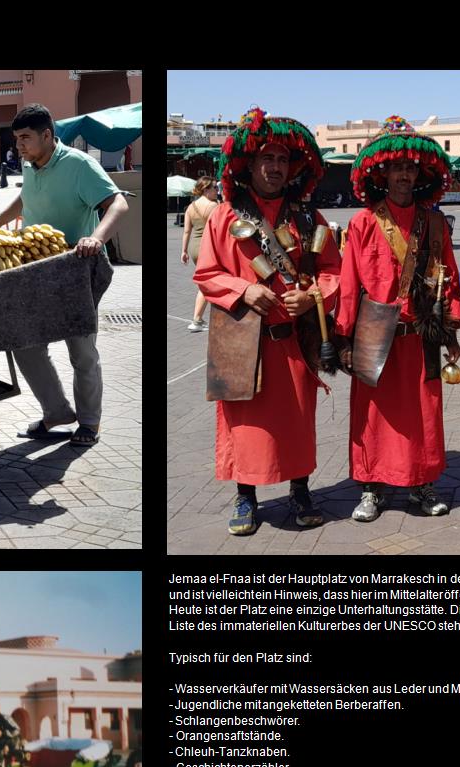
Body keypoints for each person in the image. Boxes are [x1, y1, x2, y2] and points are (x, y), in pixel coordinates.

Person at [192, 107, 342, 535]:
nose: (275, 168)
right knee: (245, 422)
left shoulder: (308, 219)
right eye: (266, 160)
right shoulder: (225, 216)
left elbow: (334, 271)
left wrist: (311, 296)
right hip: (242, 339)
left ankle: (300, 490)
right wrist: (245, 290)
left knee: (297, 421)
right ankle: (245, 497)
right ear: (250, 165)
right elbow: (206, 273)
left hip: (293, 339)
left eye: (282, 161)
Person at [336, 116, 460, 522]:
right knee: (372, 412)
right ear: (383, 173)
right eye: (397, 168)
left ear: (420, 173)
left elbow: (450, 276)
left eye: (410, 167)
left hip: (420, 332)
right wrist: (342, 338)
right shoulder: (362, 223)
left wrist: (451, 326)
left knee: (424, 411)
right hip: (373, 329)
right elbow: (349, 283)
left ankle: (421, 484)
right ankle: (371, 487)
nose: (405, 174)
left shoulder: (435, 223)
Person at [0, 104, 128, 450]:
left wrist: (96, 239)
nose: (18, 145)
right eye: (16, 138)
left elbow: (118, 203)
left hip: (76, 270)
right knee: (26, 345)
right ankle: (57, 412)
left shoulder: (79, 165)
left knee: (81, 351)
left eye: (25, 138)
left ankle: (89, 422)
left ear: (47, 136)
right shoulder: (30, 164)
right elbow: (26, 198)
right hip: (37, 270)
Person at [181, 176, 219, 332]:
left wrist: (183, 251)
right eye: (215, 188)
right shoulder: (214, 206)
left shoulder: (191, 207)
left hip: (194, 248)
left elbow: (186, 231)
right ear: (206, 190)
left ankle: (198, 319)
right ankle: (197, 320)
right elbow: (218, 230)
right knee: (208, 283)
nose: (217, 191)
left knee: (205, 281)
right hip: (209, 247)